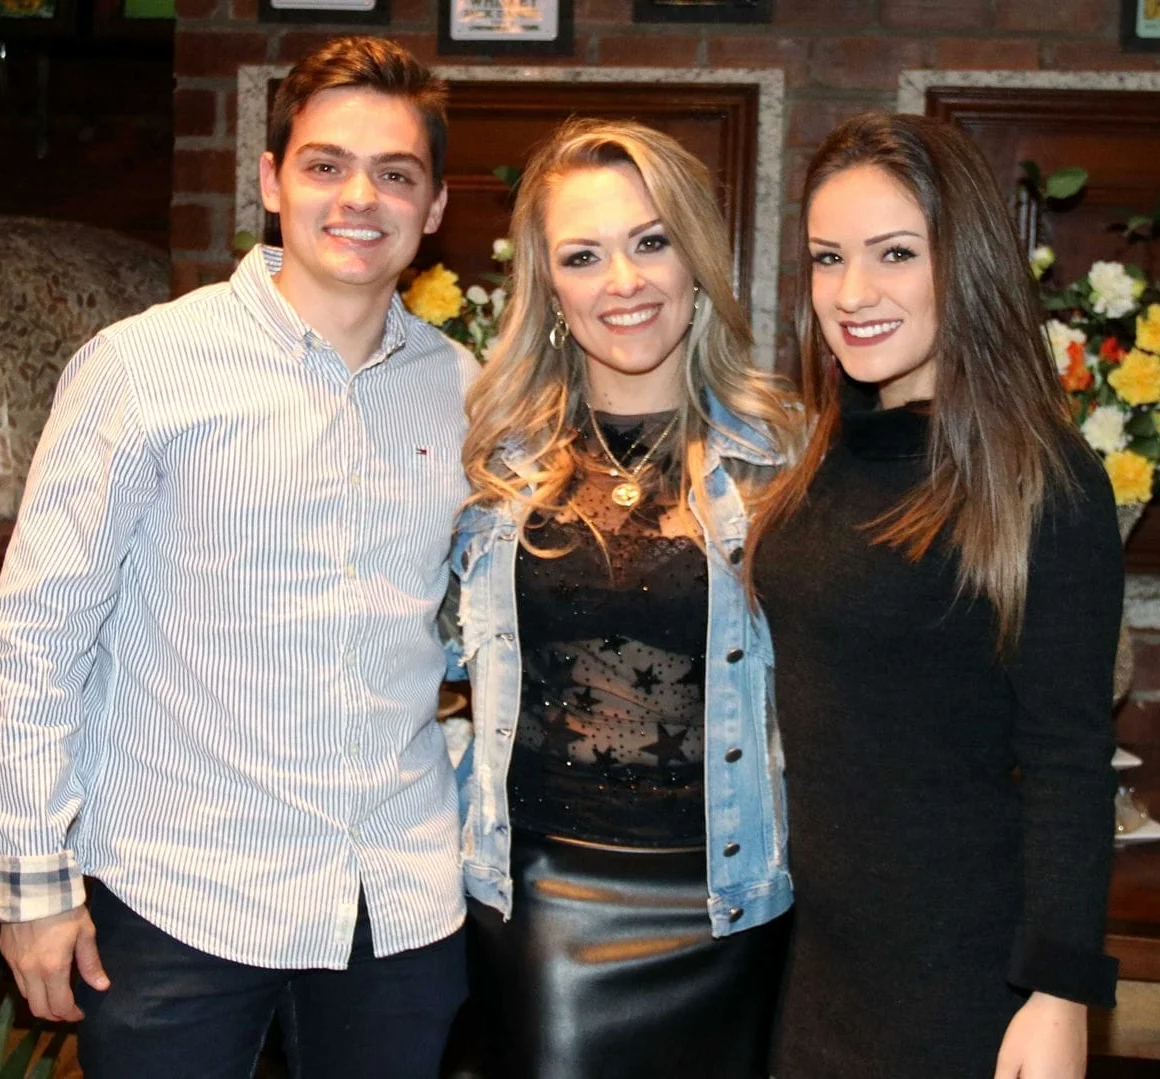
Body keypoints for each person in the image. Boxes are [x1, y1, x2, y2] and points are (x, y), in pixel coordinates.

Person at [0, 36, 476, 1079]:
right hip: (180, 898)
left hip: (394, 900)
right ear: (271, 181)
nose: (360, 197)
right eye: (326, 164)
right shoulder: (143, 368)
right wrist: (32, 885)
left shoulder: (466, 390)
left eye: (396, 174)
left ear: (433, 207)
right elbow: (39, 633)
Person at [748, 112, 1122, 1079]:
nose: (852, 293)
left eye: (895, 253)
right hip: (818, 964)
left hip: (964, 978)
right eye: (828, 258)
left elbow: (1070, 760)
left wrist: (1059, 994)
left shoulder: (1042, 480)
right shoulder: (822, 456)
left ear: (967, 263)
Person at [451, 117, 801, 1079]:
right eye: (583, 255)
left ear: (697, 261)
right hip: (547, 901)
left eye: (652, 241)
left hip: (735, 901)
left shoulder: (783, 459)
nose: (623, 281)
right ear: (549, 286)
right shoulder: (490, 463)